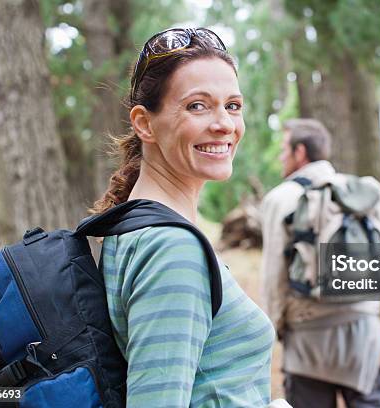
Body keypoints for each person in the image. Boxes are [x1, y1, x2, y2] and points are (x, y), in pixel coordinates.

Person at [90, 28, 281, 407]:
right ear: (144, 123)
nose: (224, 124)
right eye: (198, 105)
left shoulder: (136, 227)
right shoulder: (171, 249)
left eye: (233, 105)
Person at [260, 119, 380, 408]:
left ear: (300, 152)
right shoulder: (368, 191)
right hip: (364, 331)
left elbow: (274, 277)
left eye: (284, 149)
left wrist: (275, 329)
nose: (282, 157)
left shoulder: (281, 199)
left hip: (308, 335)